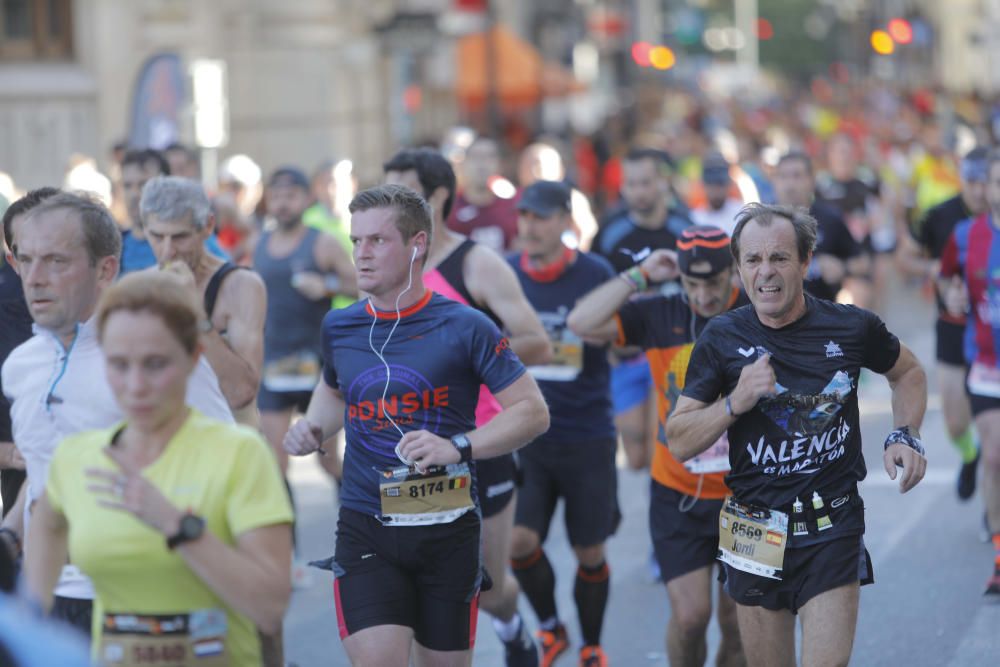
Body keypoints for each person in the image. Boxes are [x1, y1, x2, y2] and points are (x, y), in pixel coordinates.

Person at [283, 184, 550, 667]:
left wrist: (458, 446)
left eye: (377, 241)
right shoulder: (340, 326)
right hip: (367, 525)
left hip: (446, 529)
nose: (361, 254)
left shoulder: (467, 327)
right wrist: (312, 428)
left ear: (417, 244)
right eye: (355, 241)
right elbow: (334, 390)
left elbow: (532, 411)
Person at [665, 203, 927, 666]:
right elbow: (680, 438)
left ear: (805, 262)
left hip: (831, 526)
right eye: (753, 260)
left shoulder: (851, 327)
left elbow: (906, 372)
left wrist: (904, 434)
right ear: (740, 269)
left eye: (780, 258)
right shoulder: (721, 338)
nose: (766, 272)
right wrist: (735, 401)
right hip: (754, 529)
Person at [24, 271, 293, 665]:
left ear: (192, 358)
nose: (135, 385)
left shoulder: (238, 453)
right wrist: (32, 619)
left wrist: (175, 524)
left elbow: (269, 608)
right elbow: (45, 524)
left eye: (155, 364)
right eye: (119, 364)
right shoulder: (78, 457)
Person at [1, 192, 234, 637]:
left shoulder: (153, 356)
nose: (34, 278)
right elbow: (45, 467)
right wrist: (11, 535)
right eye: (24, 260)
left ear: (105, 269)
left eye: (55, 261)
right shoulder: (21, 365)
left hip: (145, 597)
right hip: (47, 598)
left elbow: (225, 468)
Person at [384, 148, 551, 666]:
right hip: (410, 449)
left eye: (402, 192)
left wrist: (464, 353)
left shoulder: (475, 263)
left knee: (490, 585)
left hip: (482, 441)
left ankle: (513, 625)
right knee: (422, 590)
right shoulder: (383, 265)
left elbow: (537, 341)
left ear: (436, 198)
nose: (390, 202)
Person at [568, 225, 747, 667]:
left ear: (734, 273)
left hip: (747, 495)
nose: (703, 296)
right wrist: (640, 275)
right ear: (679, 278)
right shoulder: (658, 312)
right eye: (692, 283)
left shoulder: (755, 311)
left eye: (714, 282)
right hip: (678, 493)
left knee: (739, 623)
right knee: (690, 618)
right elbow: (580, 322)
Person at [506, 181, 617, 667]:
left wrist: (587, 329)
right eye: (524, 216)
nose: (528, 226)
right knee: (518, 542)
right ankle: (551, 628)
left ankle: (591, 645)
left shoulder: (595, 273)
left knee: (588, 549)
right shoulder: (505, 274)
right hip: (527, 433)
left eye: (540, 217)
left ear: (565, 222)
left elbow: (626, 337)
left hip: (587, 433)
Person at [592, 147, 693, 471]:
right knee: (635, 454)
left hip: (673, 350)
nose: (639, 191)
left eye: (646, 182)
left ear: (663, 183)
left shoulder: (684, 229)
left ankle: (662, 505)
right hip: (627, 350)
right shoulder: (610, 233)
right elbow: (596, 293)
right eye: (632, 184)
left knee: (659, 445)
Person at [253, 166, 357, 474]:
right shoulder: (259, 243)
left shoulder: (322, 242)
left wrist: (327, 285)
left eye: (291, 196)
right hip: (274, 360)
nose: (283, 204)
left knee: (327, 461)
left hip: (317, 362)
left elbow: (359, 286)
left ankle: (351, 515)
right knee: (275, 463)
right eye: (277, 197)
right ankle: (286, 523)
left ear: (306, 198)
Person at [141, 175, 266, 427]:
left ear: (208, 227)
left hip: (231, 447)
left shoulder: (240, 285)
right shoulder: (140, 285)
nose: (167, 251)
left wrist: (195, 313)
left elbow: (240, 393)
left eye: (179, 237)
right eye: (157, 236)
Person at [908, 147, 989, 500]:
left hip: (993, 331)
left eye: (986, 182)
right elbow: (905, 256)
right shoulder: (943, 217)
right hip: (954, 325)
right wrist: (935, 274)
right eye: (971, 181)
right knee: (956, 422)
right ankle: (972, 457)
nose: (979, 190)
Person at [939, 149, 1000, 597]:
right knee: (995, 456)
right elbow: (946, 278)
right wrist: (953, 296)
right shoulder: (965, 235)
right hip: (986, 365)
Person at [0, 189, 56, 525]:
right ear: (13, 260)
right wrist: (8, 454)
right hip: (25, 523)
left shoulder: (119, 322)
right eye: (27, 256)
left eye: (54, 256)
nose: (40, 271)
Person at [773, 151, 866, 304]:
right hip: (774, 309)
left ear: (811, 180)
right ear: (774, 181)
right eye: (783, 176)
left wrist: (842, 267)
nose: (789, 184)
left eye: (797, 176)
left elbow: (863, 262)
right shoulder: (761, 222)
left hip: (823, 310)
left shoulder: (830, 218)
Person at [119, 149, 226, 275]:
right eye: (127, 185)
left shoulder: (197, 239)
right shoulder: (116, 246)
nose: (134, 194)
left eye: (144, 185)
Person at [447, 136, 519, 253]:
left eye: (489, 157)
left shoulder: (513, 209)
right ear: (463, 164)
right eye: (475, 157)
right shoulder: (449, 210)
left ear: (500, 165)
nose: (482, 164)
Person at [691, 152, 744, 235]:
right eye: (711, 184)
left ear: (728, 184)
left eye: (720, 184)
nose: (716, 191)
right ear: (703, 185)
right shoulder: (695, 218)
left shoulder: (741, 215)